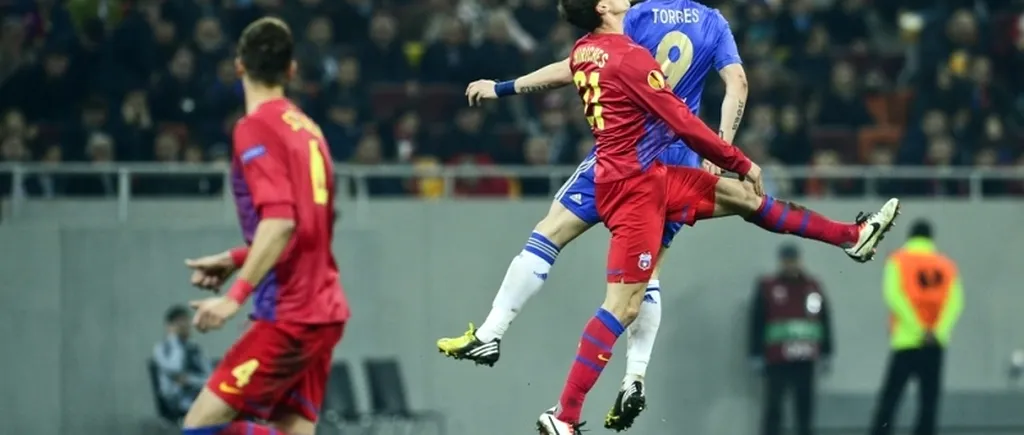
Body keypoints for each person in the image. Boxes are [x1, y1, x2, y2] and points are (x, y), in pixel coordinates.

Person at [529, 0, 900, 432]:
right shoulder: (630, 56)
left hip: (654, 177)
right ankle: (567, 416)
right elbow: (686, 121)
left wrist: (504, 87)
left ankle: (851, 236)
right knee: (622, 305)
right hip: (636, 193)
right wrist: (738, 158)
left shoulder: (587, 51)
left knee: (747, 200)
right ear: (603, 7)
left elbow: (567, 72)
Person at [438, 0, 748, 429]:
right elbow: (738, 84)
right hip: (682, 158)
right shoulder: (714, 22)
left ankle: (491, 334)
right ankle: (634, 376)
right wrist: (722, 146)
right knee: (647, 274)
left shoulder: (635, 18)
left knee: (550, 232)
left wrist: (502, 87)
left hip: (625, 152)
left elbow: (574, 67)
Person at [177, 17, 349, 435]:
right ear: (291, 71)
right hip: (323, 309)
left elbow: (282, 222)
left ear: (239, 66)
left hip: (289, 315)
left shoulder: (255, 128)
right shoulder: (309, 131)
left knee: (201, 429)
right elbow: (314, 228)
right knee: (290, 428)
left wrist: (232, 298)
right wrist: (236, 258)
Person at [869, 219, 963, 435]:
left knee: (891, 398)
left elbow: (894, 297)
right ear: (931, 238)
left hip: (906, 340)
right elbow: (955, 302)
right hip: (935, 343)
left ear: (910, 236)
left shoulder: (898, 261)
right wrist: (936, 330)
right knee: (929, 402)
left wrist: (918, 328)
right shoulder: (946, 265)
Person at [748, 244, 834, 435]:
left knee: (804, 407)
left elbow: (824, 319)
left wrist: (827, 351)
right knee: (774, 408)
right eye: (787, 261)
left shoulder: (812, 287)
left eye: (793, 260)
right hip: (777, 358)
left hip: (804, 357)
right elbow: (757, 321)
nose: (790, 265)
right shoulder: (768, 287)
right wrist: (755, 353)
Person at [153, 305, 213, 421]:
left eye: (186, 323)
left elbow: (209, 377)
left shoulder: (195, 348)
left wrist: (190, 380)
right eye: (179, 324)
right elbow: (175, 369)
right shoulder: (162, 349)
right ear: (169, 326)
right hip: (175, 399)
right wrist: (176, 342)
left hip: (198, 394)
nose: (184, 327)